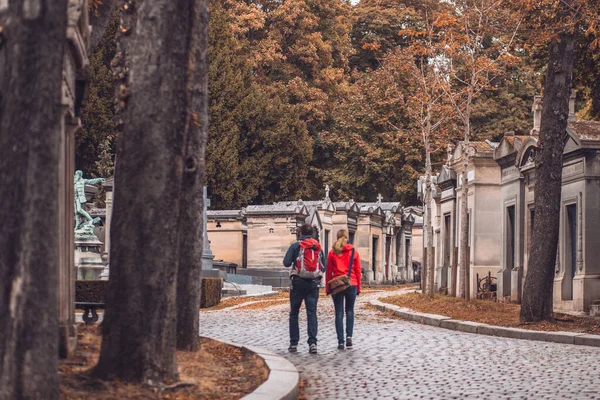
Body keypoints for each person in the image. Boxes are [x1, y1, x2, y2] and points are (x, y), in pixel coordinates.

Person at [283, 224, 326, 354]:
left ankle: (294, 343)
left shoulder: (296, 246)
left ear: (300, 233)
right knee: (311, 313)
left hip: (298, 283)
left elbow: (286, 262)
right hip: (313, 283)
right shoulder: (317, 246)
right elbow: (324, 267)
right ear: (312, 233)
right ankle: (313, 343)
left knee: (294, 313)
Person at [326, 229, 361, 350]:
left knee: (339, 313)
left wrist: (327, 288)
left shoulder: (332, 253)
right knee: (350, 311)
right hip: (352, 283)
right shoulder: (354, 252)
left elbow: (329, 271)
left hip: (337, 284)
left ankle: (340, 341)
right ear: (347, 237)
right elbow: (357, 271)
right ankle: (349, 336)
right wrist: (359, 288)